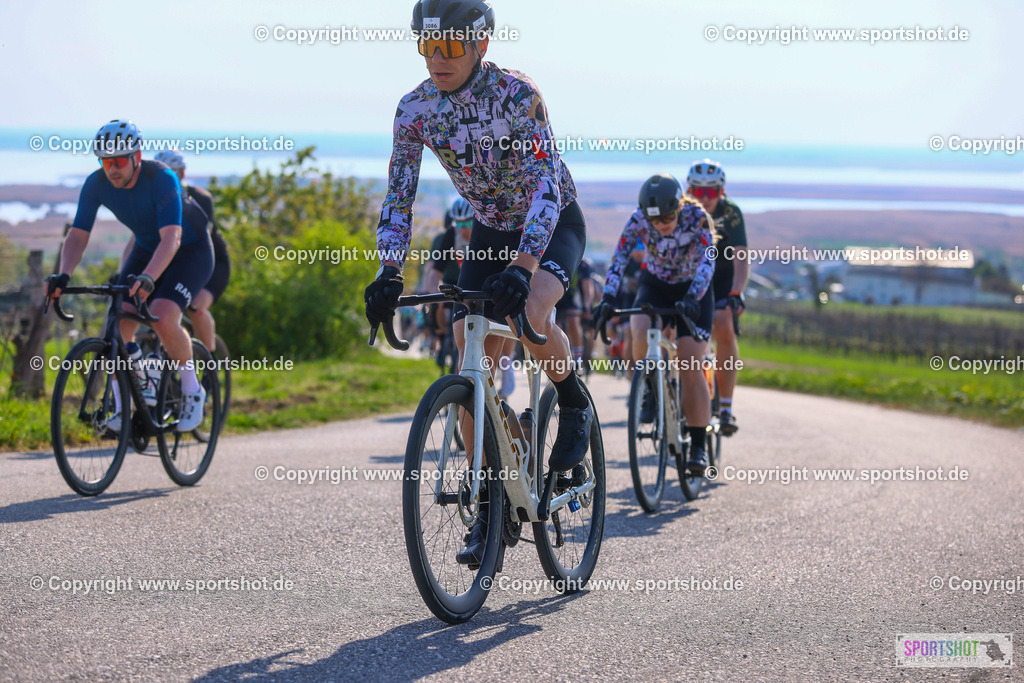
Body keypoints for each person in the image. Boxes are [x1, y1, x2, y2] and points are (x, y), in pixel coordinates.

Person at [364, 0, 591, 565]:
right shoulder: (414, 108)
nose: (437, 59)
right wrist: (388, 270)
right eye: (427, 46)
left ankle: (572, 397)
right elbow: (399, 196)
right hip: (489, 227)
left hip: (551, 219)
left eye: (450, 47)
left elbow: (543, 186)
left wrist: (524, 265)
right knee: (473, 354)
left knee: (532, 312)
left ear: (481, 45)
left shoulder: (518, 95)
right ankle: (491, 495)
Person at [45, 120, 213, 432]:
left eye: (119, 160)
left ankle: (193, 390)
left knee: (162, 316)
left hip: (189, 251)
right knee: (119, 323)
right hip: (148, 248)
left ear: (136, 156)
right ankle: (126, 403)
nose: (112, 169)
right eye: (106, 161)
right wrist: (63, 276)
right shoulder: (96, 184)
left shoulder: (162, 178)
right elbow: (79, 234)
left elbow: (172, 240)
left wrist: (149, 278)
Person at [594, 173, 715, 475]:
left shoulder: (696, 216)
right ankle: (647, 387)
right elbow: (620, 256)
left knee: (689, 363)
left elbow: (708, 260)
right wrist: (608, 297)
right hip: (656, 283)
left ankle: (698, 446)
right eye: (655, 219)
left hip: (693, 289)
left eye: (668, 216)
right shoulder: (638, 220)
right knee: (639, 330)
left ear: (678, 206)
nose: (662, 223)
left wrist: (693, 296)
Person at [687, 159, 747, 436]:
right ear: (689, 190)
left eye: (712, 192)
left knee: (723, 323)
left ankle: (725, 406)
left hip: (721, 279)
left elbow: (741, 258)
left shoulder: (731, 213)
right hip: (690, 275)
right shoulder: (681, 210)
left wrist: (736, 292)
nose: (705, 198)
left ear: (722, 192)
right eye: (699, 191)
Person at [153, 149, 229, 356]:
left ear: (182, 174)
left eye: (172, 173)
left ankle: (209, 363)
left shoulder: (200, 198)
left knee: (195, 307)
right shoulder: (154, 199)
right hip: (176, 261)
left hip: (210, 262)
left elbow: (197, 239)